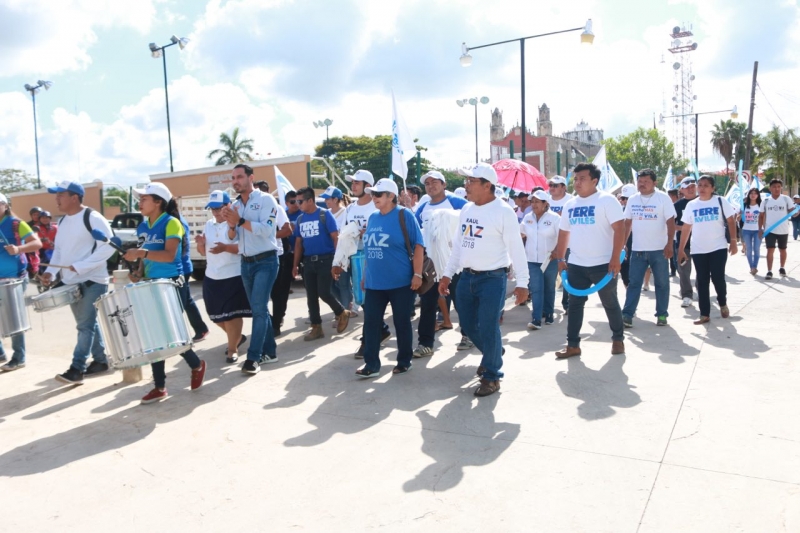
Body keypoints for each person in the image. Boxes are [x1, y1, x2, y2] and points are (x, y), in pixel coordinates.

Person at [439, 163, 529, 397]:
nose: (466, 185)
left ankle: (491, 376)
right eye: (466, 180)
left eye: (471, 181)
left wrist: (523, 283)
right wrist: (448, 274)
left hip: (492, 278)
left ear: (487, 185)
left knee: (489, 326)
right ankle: (494, 353)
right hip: (466, 277)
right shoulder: (467, 210)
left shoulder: (503, 211)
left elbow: (516, 249)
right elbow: (459, 245)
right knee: (468, 326)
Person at [123, 182, 206, 403]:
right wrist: (137, 272)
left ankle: (196, 364)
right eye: (139, 199)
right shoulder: (142, 227)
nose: (139, 202)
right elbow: (143, 260)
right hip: (150, 282)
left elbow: (170, 256)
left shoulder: (172, 223)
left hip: (171, 282)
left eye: (144, 199)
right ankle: (159, 387)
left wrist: (141, 252)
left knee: (168, 333)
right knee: (153, 335)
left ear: (158, 201)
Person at [40, 182, 115, 383]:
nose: (56, 199)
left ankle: (77, 369)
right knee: (86, 324)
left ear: (74, 197)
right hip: (71, 281)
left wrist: (82, 265)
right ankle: (100, 361)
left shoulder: (92, 217)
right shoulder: (63, 221)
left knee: (84, 326)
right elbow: (59, 251)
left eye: (60, 195)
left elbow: (109, 247)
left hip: (93, 280)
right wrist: (51, 272)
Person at [553, 163, 626, 359]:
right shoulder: (570, 204)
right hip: (576, 264)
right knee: (575, 304)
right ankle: (573, 345)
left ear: (594, 181)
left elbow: (620, 229)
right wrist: (561, 258)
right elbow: (564, 233)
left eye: (582, 178)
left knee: (610, 303)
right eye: (575, 179)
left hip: (604, 264)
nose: (577, 182)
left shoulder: (607, 201)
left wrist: (615, 258)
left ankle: (618, 339)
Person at [355, 178, 424, 378]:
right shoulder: (373, 217)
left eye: (378, 194)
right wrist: (365, 275)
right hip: (375, 282)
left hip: (401, 282)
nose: (373, 197)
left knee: (401, 322)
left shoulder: (405, 215)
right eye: (372, 194)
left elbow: (418, 245)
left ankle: (404, 361)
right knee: (371, 322)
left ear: (391, 196)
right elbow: (369, 248)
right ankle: (371, 364)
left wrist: (417, 274)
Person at [224, 164, 280, 374]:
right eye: (233, 178)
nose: (235, 181)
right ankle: (270, 352)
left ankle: (253, 358)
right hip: (246, 263)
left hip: (266, 261)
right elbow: (232, 237)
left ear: (251, 178)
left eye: (239, 177)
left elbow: (267, 230)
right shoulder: (236, 205)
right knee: (260, 309)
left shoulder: (266, 200)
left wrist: (239, 220)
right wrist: (231, 225)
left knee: (258, 309)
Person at [412, 170, 468, 358]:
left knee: (461, 302)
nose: (431, 185)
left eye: (435, 182)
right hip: (431, 266)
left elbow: (471, 223)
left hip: (454, 264)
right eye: (427, 183)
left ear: (444, 185)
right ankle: (425, 343)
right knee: (428, 304)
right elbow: (416, 233)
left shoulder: (457, 203)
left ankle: (468, 335)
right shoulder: (422, 208)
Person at [196, 191, 251, 363]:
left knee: (232, 315)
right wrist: (200, 244)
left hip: (233, 275)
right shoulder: (208, 225)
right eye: (212, 209)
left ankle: (232, 349)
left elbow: (239, 245)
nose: (215, 212)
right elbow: (203, 253)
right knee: (215, 315)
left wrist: (225, 247)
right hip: (212, 276)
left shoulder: (237, 223)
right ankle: (236, 338)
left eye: (218, 208)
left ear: (228, 206)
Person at [677, 175, 738, 324]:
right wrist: (681, 249)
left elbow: (731, 221)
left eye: (706, 185)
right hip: (698, 249)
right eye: (700, 185)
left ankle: (722, 302)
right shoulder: (692, 205)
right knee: (702, 281)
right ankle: (704, 314)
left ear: (712, 188)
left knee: (717, 278)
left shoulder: (720, 201)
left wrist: (734, 241)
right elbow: (686, 228)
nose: (702, 188)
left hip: (718, 247)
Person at [292, 186, 350, 341]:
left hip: (326, 260)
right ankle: (316, 327)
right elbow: (298, 243)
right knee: (311, 296)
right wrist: (295, 265)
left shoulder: (325, 215)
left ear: (310, 200)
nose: (298, 204)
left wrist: (338, 261)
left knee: (324, 292)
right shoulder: (300, 219)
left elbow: (335, 238)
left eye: (300, 201)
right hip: (308, 262)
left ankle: (341, 312)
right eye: (296, 201)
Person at [620, 169, 676, 327]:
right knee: (634, 283)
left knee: (662, 283)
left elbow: (670, 222)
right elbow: (627, 223)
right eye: (640, 181)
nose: (642, 184)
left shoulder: (663, 198)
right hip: (638, 250)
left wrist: (670, 243)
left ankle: (662, 315)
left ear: (654, 183)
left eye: (646, 181)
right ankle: (627, 314)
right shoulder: (632, 200)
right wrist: (622, 244)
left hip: (659, 250)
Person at [0, 194, 42, 372]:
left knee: (14, 317)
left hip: (15, 278)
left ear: (4, 205)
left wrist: (18, 249)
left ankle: (19, 357)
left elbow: (37, 243)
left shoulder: (16, 224)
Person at [520, 190, 560, 329]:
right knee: (536, 288)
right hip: (531, 260)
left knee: (549, 287)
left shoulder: (554, 218)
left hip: (549, 259)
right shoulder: (528, 217)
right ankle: (536, 319)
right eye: (532, 201)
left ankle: (549, 314)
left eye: (537, 201)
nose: (534, 204)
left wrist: (557, 252)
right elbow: (521, 235)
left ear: (545, 203)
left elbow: (563, 237)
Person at [178, 216, 210, 342]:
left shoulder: (176, 221)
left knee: (178, 302)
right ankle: (201, 328)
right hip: (181, 268)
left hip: (181, 269)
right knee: (186, 300)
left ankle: (179, 336)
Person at [320, 186, 352, 315]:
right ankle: (346, 305)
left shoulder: (346, 213)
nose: (326, 201)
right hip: (328, 254)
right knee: (330, 286)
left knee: (343, 283)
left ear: (336, 199)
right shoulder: (325, 213)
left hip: (343, 253)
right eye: (325, 199)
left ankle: (344, 312)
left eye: (328, 198)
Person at [759, 178, 793, 280]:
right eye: (774, 187)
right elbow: (761, 216)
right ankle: (769, 271)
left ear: (781, 188)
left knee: (783, 250)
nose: (776, 189)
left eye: (778, 187)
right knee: (770, 250)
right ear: (770, 188)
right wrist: (760, 229)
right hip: (770, 230)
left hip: (783, 230)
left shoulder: (786, 199)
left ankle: (782, 268)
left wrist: (797, 212)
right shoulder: (765, 201)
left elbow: (793, 212)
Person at [673, 176, 698, 307]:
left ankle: (700, 289)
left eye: (693, 186)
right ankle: (686, 295)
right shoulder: (677, 206)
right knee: (683, 271)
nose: (691, 189)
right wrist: (684, 228)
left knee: (703, 270)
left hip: (701, 243)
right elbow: (670, 225)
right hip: (684, 244)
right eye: (687, 187)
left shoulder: (703, 201)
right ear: (681, 190)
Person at [741, 187, 762, 275]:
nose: (753, 195)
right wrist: (739, 216)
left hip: (758, 230)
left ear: (758, 195)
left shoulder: (761, 205)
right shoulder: (744, 205)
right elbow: (739, 217)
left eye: (755, 193)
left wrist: (762, 228)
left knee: (756, 249)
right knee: (749, 249)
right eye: (751, 193)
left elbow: (764, 217)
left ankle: (755, 266)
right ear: (748, 195)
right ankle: (752, 267)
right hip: (746, 230)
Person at [24, 206, 42, 279]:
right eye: (34, 215)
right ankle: (31, 272)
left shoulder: (45, 223)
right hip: (32, 246)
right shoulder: (27, 225)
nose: (36, 216)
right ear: (31, 215)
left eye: (38, 214)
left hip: (45, 246)